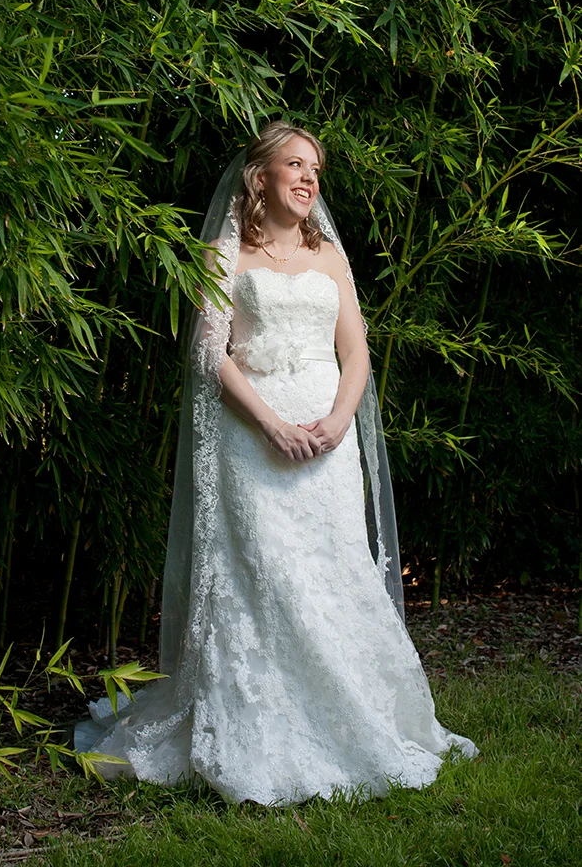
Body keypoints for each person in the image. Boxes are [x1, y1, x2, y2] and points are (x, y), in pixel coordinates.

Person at [76, 121, 476, 804]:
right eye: (294, 165)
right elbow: (210, 353)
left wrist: (338, 420)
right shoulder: (225, 255)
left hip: (327, 441)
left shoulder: (330, 258)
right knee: (263, 574)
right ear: (259, 176)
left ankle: (353, 716)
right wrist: (268, 424)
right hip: (253, 438)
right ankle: (257, 724)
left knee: (333, 566)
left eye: (314, 169)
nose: (308, 178)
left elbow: (356, 352)